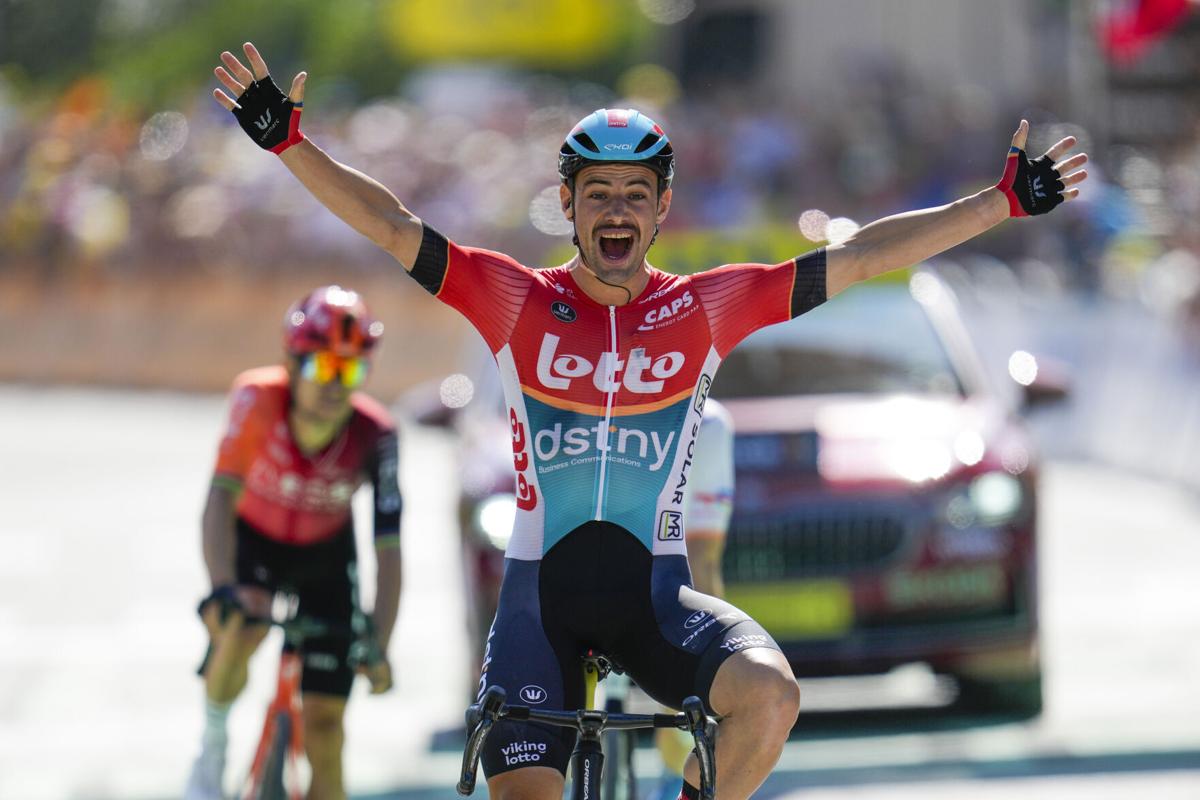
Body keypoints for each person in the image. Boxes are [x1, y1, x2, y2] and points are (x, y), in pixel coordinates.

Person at [210, 42, 1087, 800]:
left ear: (662, 208)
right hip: (539, 606)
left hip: (656, 602)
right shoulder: (514, 298)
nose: (618, 210)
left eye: (637, 192)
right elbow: (394, 225)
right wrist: (290, 142)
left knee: (772, 695)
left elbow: (857, 259)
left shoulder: (707, 307)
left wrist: (999, 203)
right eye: (598, 193)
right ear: (570, 204)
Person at [185, 285, 402, 800]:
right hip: (253, 543)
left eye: (351, 371)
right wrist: (221, 589)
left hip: (326, 558)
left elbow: (389, 547)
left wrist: (380, 641)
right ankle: (213, 743)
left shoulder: (378, 433)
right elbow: (219, 498)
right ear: (290, 360)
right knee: (244, 621)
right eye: (322, 367)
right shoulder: (256, 398)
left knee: (327, 731)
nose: (335, 385)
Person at [656, 398, 735, 789]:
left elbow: (703, 562)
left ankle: (684, 754)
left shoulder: (710, 423)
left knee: (697, 566)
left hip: (689, 417)